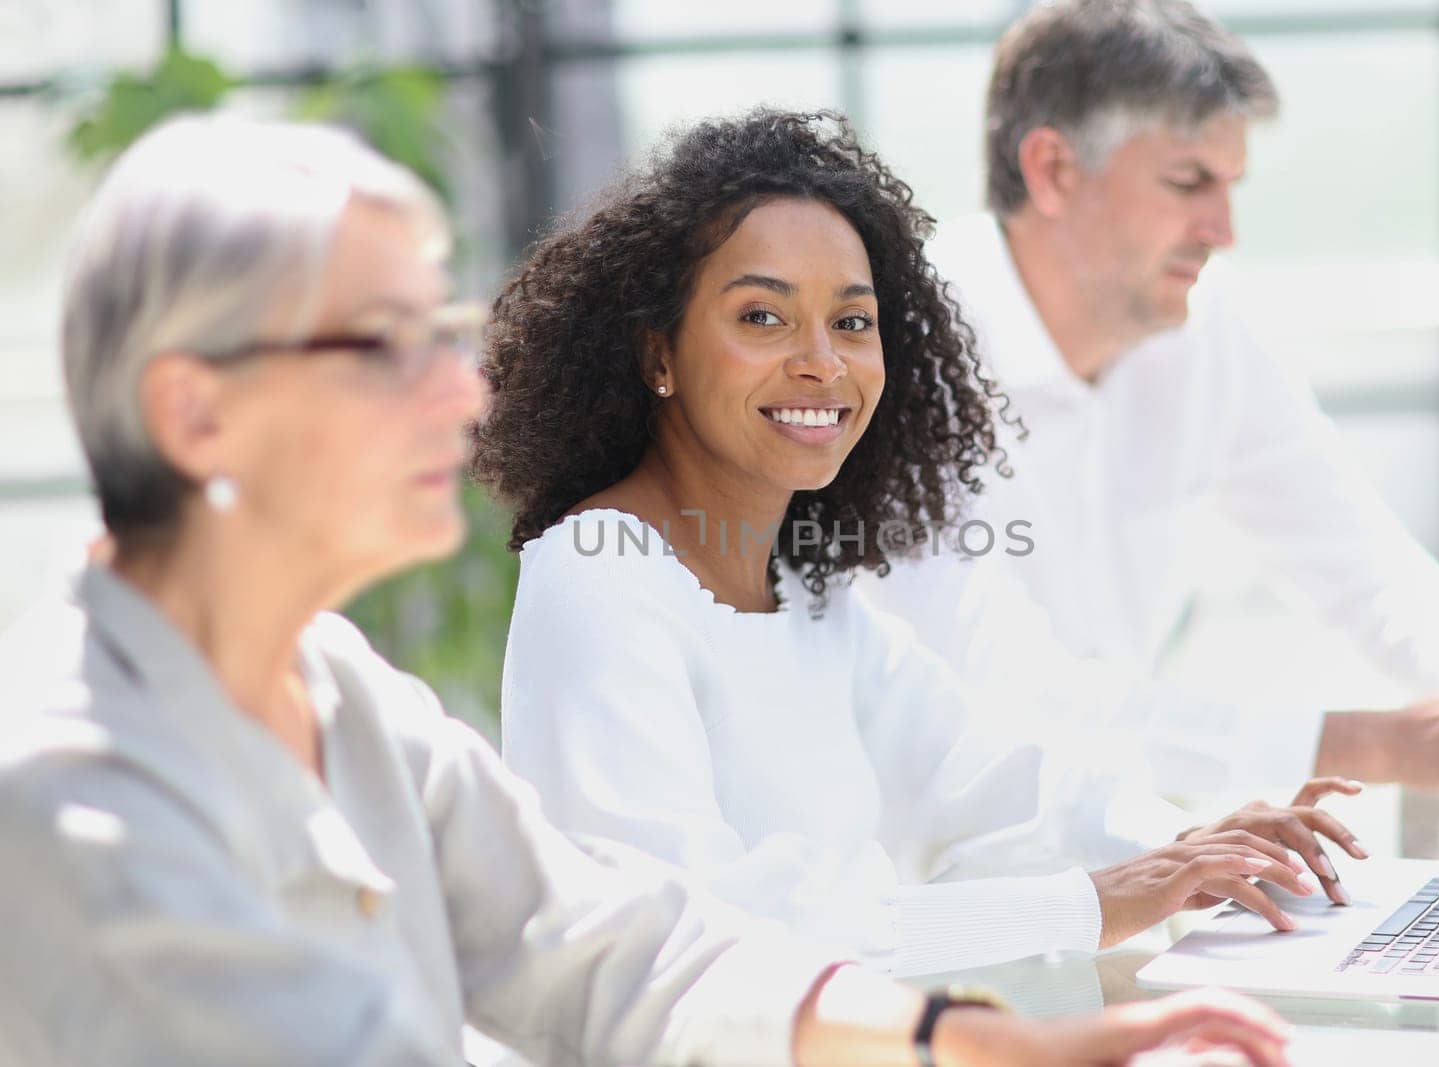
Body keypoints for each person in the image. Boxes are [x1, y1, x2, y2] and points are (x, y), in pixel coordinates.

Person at [0, 114, 1295, 1067]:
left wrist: (987, 1040)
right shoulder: (73, 800)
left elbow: (624, 952)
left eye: (444, 336)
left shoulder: (344, 697)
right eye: (386, 345)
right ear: (197, 413)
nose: (462, 389)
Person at [478, 107, 1367, 985]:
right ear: (655, 352)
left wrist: (1191, 841)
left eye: (854, 322)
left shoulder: (804, 589)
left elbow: (992, 774)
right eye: (762, 317)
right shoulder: (597, 575)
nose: (823, 362)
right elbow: (695, 931)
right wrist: (1098, 901)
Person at [857, 0, 1439, 796]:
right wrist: (1385, 745)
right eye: (1188, 182)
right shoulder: (894, 356)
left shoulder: (1204, 328)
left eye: (1231, 185)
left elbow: (1366, 567)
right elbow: (1002, 694)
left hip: (1113, 850)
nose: (1223, 228)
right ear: (1053, 171)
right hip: (918, 880)